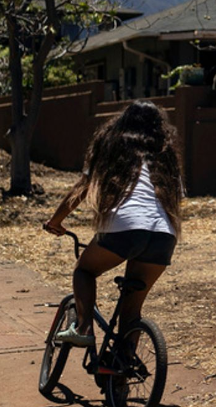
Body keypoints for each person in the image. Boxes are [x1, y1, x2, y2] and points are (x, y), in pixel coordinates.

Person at [42, 100, 184, 346]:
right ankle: (120, 376)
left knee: (84, 270)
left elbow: (82, 189)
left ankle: (84, 327)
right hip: (163, 234)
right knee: (131, 311)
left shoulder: (111, 146)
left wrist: (56, 221)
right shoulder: (165, 156)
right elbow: (176, 197)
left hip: (124, 228)